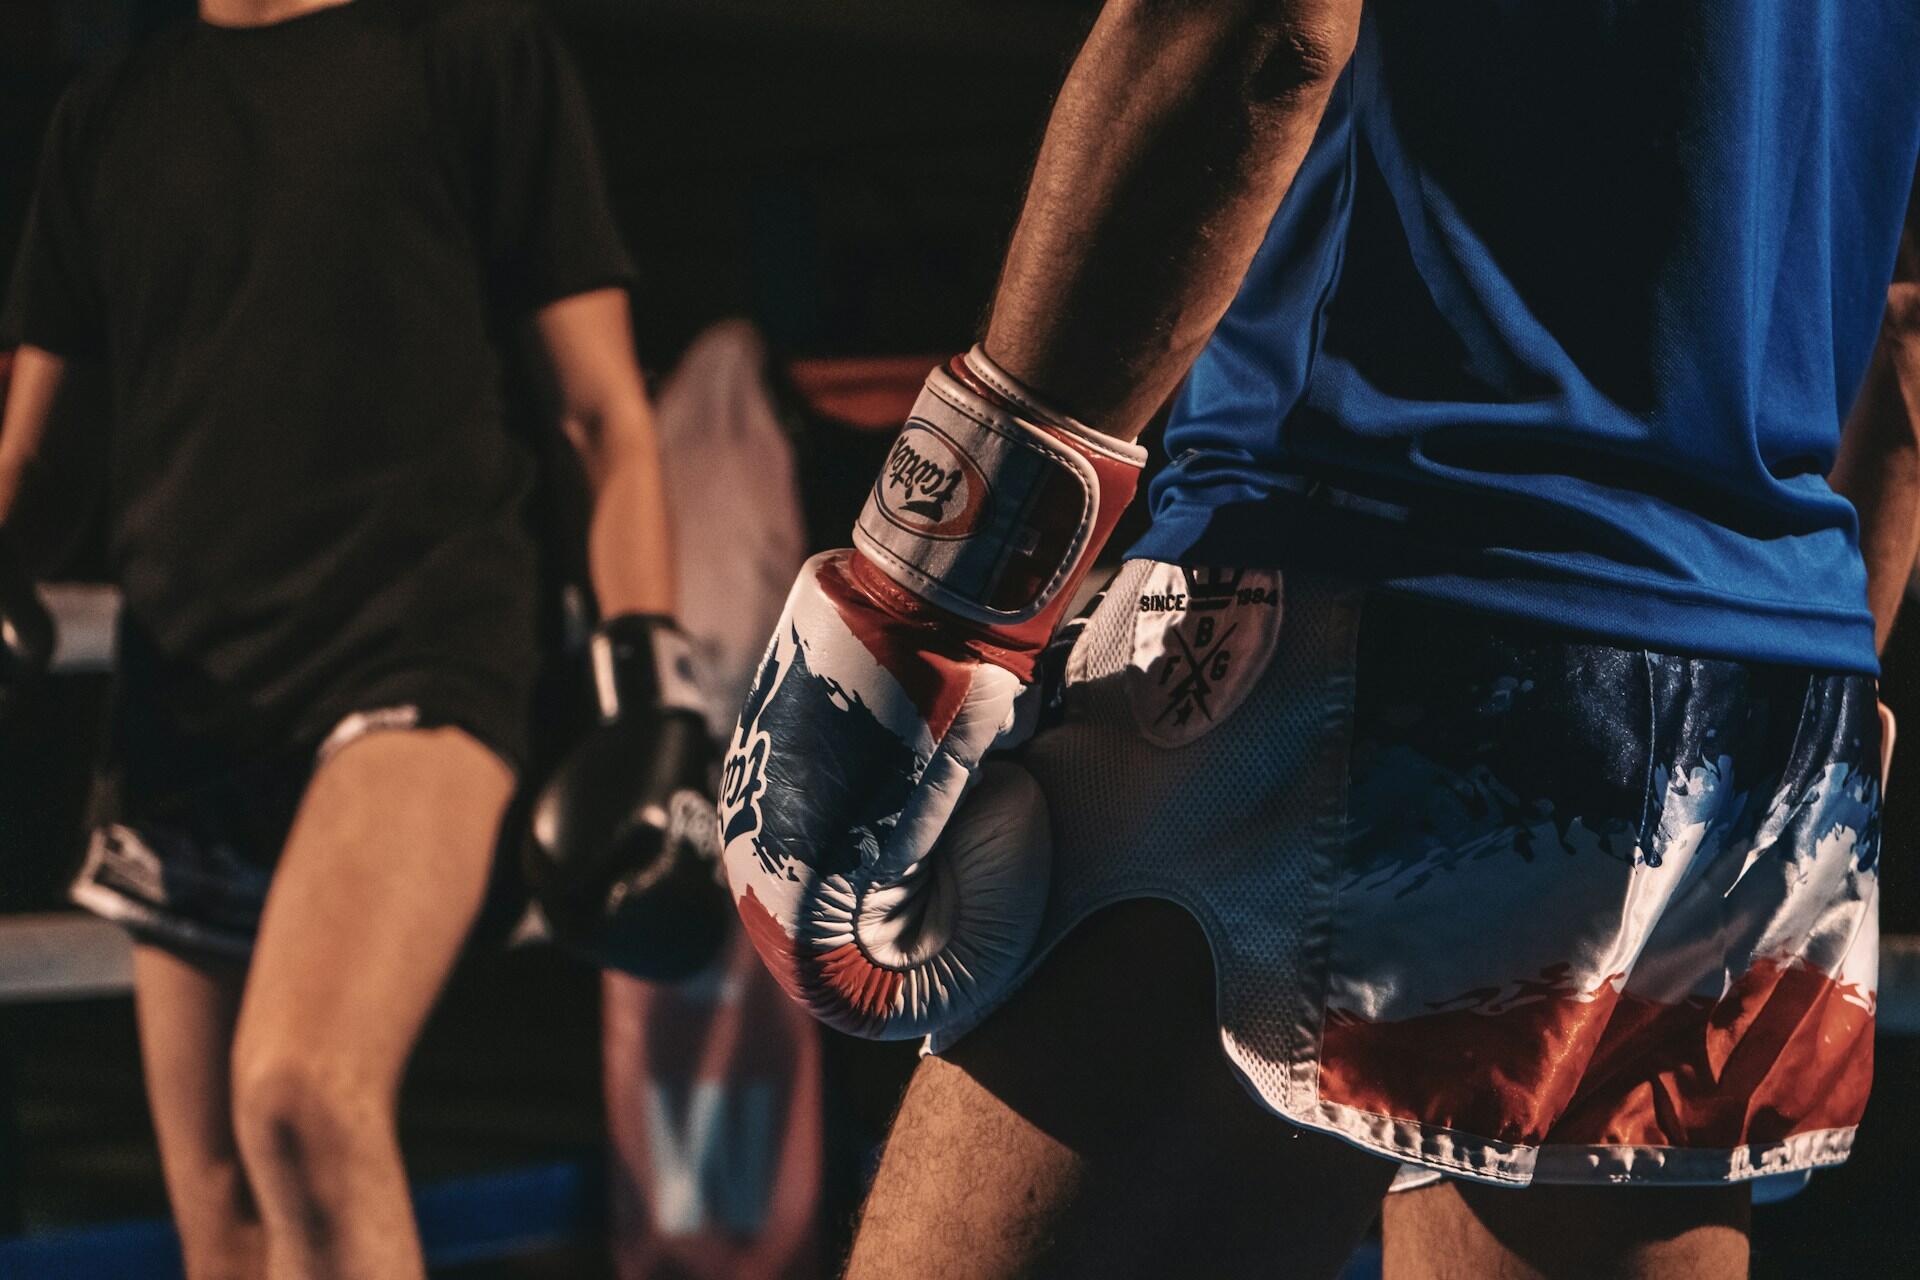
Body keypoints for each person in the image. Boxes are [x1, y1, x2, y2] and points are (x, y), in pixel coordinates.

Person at [715, 1, 1920, 1277]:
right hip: (1770, 704)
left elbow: (1259, 32)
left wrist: (928, 583)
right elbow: (1906, 321)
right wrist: (1822, 671)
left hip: (1381, 581)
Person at [0, 0, 700, 1275]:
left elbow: (603, 413)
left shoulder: (471, 54)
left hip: (418, 663)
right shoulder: (107, 119)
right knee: (224, 1215)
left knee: (303, 1095)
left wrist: (651, 689)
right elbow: (35, 459)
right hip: (189, 700)